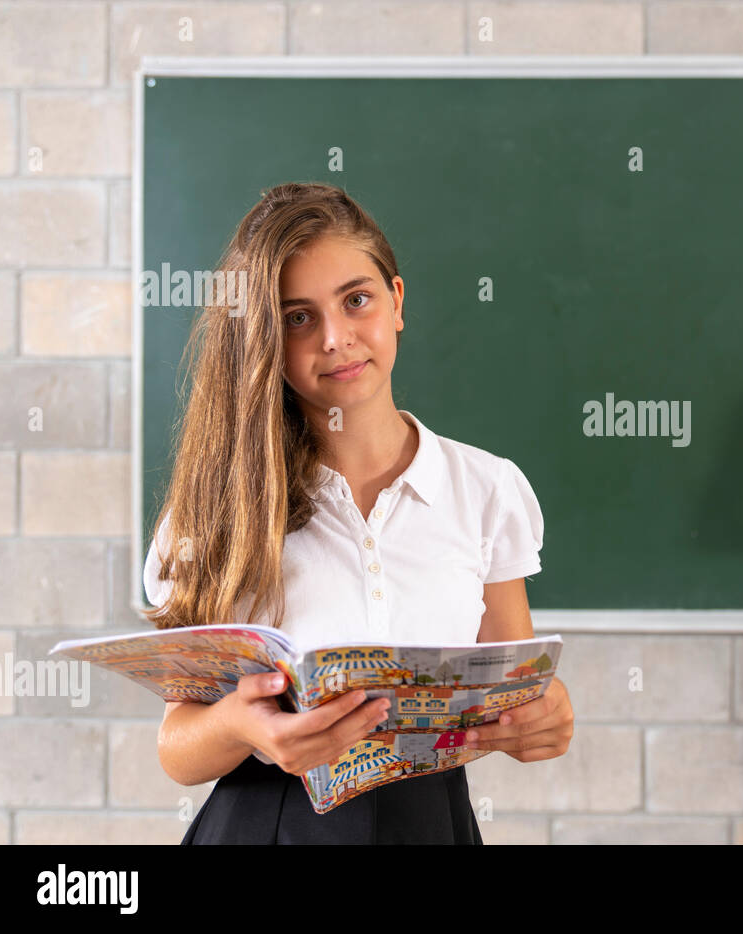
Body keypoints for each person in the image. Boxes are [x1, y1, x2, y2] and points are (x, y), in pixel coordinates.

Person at [143, 182, 573, 844]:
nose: (336, 338)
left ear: (396, 302)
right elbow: (178, 747)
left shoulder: (486, 489)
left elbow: (515, 690)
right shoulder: (215, 505)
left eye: (356, 300)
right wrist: (238, 725)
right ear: (262, 337)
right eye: (297, 317)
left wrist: (542, 720)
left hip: (432, 823)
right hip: (265, 824)